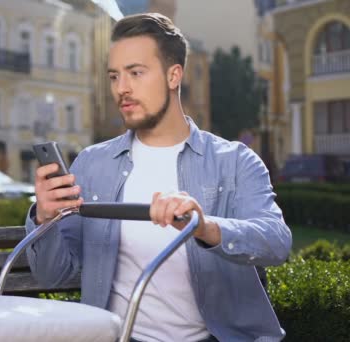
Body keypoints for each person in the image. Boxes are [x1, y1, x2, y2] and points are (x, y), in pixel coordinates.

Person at [24, 12, 292, 342]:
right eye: (113, 76)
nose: (121, 88)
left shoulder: (235, 161)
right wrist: (43, 218)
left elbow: (277, 243)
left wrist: (205, 227)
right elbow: (52, 274)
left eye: (136, 73)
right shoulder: (92, 164)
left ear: (173, 75)